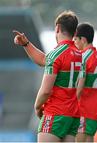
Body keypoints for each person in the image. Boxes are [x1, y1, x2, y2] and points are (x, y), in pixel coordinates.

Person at [13, 10, 82, 142]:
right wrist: (26, 44)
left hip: (55, 114)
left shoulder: (57, 55)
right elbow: (44, 60)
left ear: (58, 28)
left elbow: (45, 91)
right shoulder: (79, 54)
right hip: (73, 115)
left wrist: (37, 107)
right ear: (75, 32)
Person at [73, 23, 97, 142]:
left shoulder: (83, 57)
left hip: (84, 109)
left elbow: (79, 87)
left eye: (75, 39)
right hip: (96, 109)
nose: (74, 43)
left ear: (83, 39)